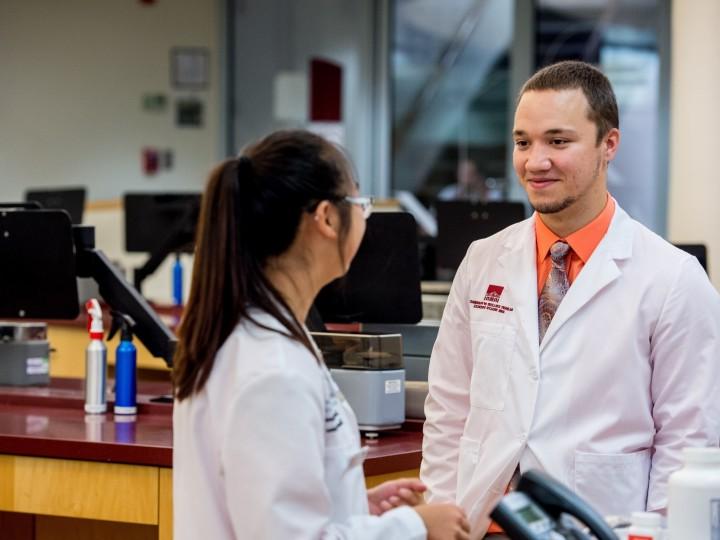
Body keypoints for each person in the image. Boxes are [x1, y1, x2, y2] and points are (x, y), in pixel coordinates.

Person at [421, 60, 720, 537]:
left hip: (600, 525)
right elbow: (449, 407)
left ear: (609, 145)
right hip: (478, 525)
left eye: (558, 141)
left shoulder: (673, 279)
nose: (535, 161)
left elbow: (690, 438)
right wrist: (440, 511)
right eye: (523, 142)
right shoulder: (483, 260)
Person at [172, 130, 470, 539]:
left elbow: (266, 507)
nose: (364, 218)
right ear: (327, 218)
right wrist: (412, 526)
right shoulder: (273, 372)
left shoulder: (263, 338)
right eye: (360, 204)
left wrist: (352, 507)